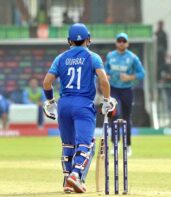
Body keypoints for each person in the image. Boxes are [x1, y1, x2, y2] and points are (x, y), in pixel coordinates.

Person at [42, 23, 116, 193]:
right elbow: (103, 81)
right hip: (83, 104)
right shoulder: (93, 57)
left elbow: (47, 82)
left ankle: (68, 181)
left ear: (69, 41)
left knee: (68, 144)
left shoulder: (60, 58)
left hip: (64, 105)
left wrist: (50, 102)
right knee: (86, 143)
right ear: (88, 39)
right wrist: (107, 100)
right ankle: (76, 175)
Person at [105, 32, 145, 157]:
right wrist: (107, 75)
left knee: (126, 119)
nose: (121, 43)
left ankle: (127, 146)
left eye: (124, 41)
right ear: (116, 42)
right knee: (115, 115)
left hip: (127, 90)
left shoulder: (132, 57)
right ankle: (114, 145)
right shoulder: (110, 56)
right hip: (114, 89)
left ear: (127, 43)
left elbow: (142, 73)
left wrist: (129, 77)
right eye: (119, 41)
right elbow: (105, 70)